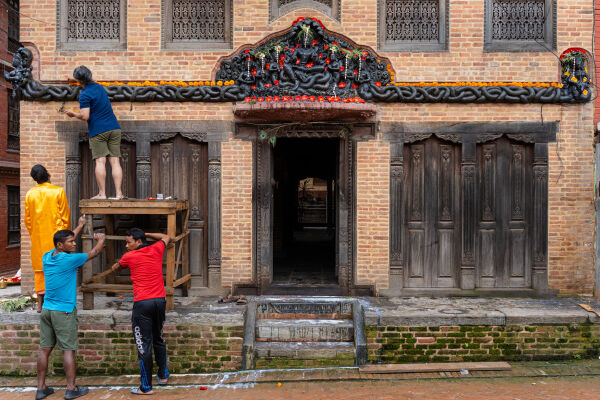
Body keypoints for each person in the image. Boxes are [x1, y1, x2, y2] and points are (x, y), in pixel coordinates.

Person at [36, 217, 105, 400]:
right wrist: (101, 240)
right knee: (68, 350)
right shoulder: (70, 260)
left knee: (44, 350)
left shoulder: (47, 257)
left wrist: (80, 226)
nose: (74, 244)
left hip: (47, 310)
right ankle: (71, 388)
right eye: (71, 242)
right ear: (60, 245)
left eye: (74, 240)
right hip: (64, 311)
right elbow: (94, 253)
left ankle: (41, 388)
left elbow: (67, 238)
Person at [111, 228, 171, 395]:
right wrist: (148, 234)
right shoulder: (157, 248)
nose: (126, 245)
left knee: (143, 345)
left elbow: (117, 267)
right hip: (160, 301)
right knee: (158, 338)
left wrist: (115, 266)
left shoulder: (128, 257)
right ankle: (163, 375)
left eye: (129, 242)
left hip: (143, 304)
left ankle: (145, 387)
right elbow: (166, 236)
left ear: (138, 242)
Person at [66, 65, 124, 200]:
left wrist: (73, 114)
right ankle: (119, 194)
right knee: (115, 161)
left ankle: (102, 194)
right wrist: (74, 80)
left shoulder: (84, 95)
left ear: (79, 81)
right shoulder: (99, 86)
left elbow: (85, 116)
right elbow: (87, 81)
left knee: (100, 162)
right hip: (114, 128)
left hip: (98, 130)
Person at [25, 164, 71, 313]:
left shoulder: (30, 194)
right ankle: (58, 303)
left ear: (34, 179)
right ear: (48, 174)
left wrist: (35, 233)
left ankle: (40, 305)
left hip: (38, 237)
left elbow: (28, 221)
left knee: (40, 270)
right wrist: (66, 237)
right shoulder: (58, 191)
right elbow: (65, 217)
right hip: (56, 239)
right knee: (58, 268)